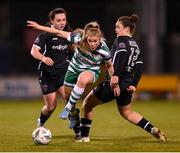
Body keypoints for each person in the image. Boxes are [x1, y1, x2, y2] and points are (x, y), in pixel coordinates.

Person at [75, 14, 167, 142]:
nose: (115, 29)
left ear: (126, 28)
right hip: (127, 84)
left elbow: (122, 55)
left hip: (115, 83)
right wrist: (134, 84)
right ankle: (152, 129)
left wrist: (115, 77)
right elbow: (139, 66)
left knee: (87, 104)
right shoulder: (135, 45)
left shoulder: (121, 40)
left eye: (118, 27)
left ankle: (84, 137)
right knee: (127, 113)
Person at [27, 20, 114, 138]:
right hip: (73, 70)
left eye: (95, 41)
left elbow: (109, 65)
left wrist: (114, 81)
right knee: (67, 98)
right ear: (85, 38)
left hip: (91, 71)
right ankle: (72, 112)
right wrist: (40, 27)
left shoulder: (104, 49)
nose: (93, 44)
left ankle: (67, 109)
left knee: (82, 80)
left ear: (100, 39)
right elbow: (57, 32)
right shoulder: (78, 39)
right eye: (90, 41)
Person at [29, 8, 73, 128]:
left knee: (70, 101)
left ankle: (78, 131)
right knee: (51, 107)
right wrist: (43, 58)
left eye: (64, 20)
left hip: (63, 73)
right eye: (58, 20)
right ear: (52, 22)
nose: (62, 22)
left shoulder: (68, 34)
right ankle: (41, 123)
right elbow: (34, 51)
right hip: (48, 74)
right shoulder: (45, 35)